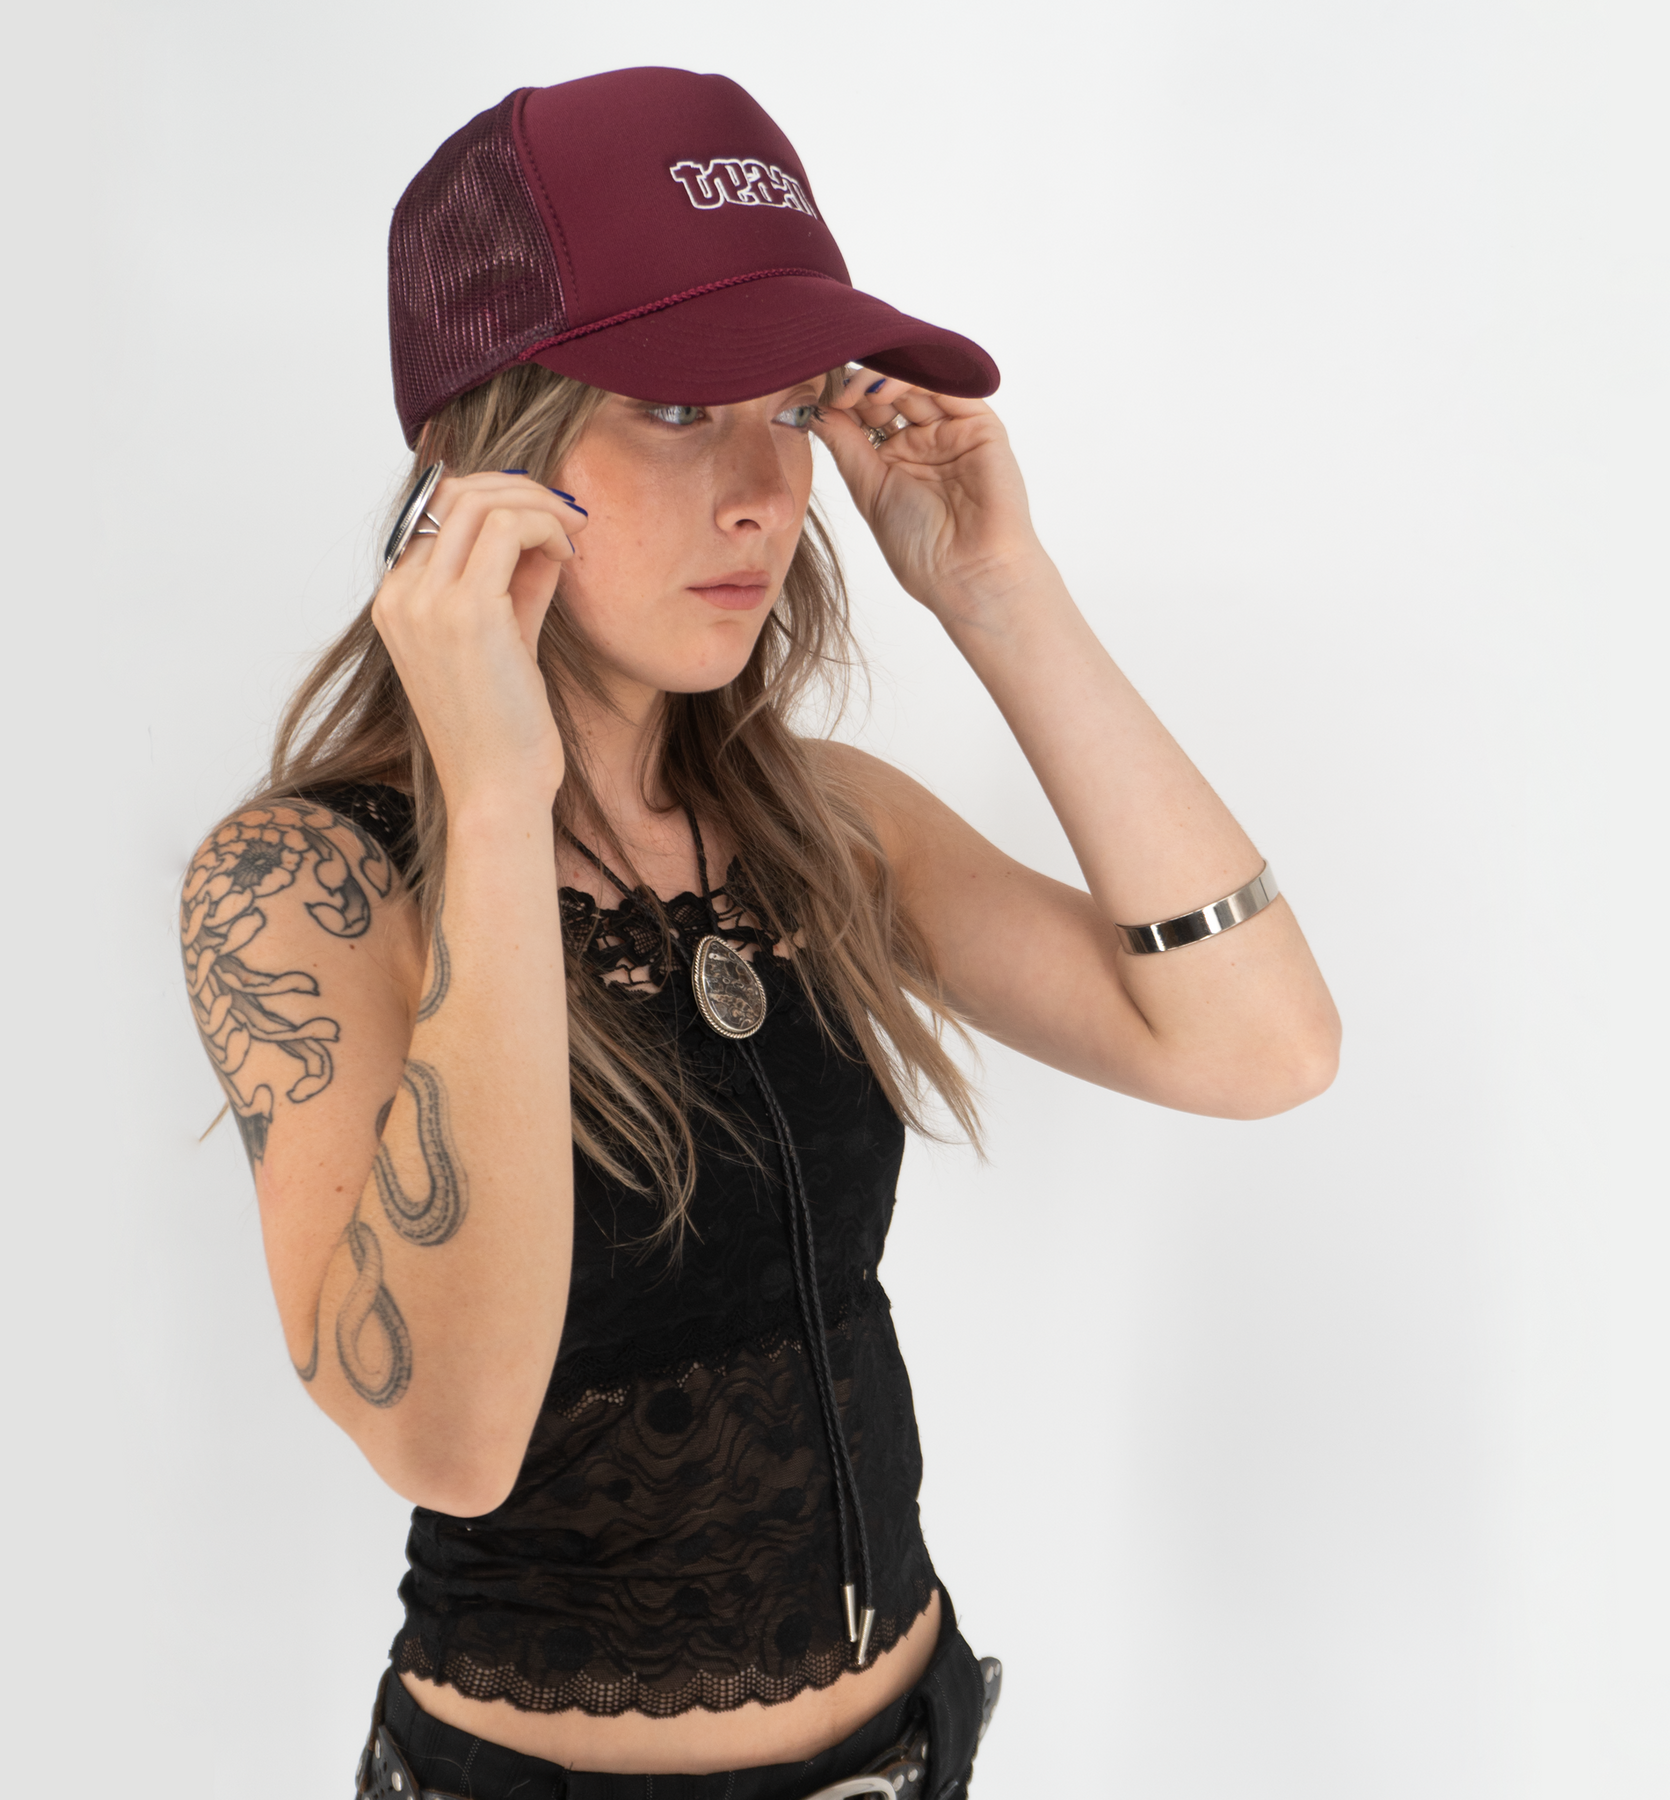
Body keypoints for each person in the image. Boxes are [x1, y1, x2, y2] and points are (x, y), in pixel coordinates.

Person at [180, 66, 1340, 1800]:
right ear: (470, 456)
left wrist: (997, 591)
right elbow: (447, 1440)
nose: (759, 492)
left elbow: (1261, 1048)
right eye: (670, 404)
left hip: (913, 1748)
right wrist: (493, 804)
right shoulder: (302, 885)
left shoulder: (822, 826)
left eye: (787, 409)